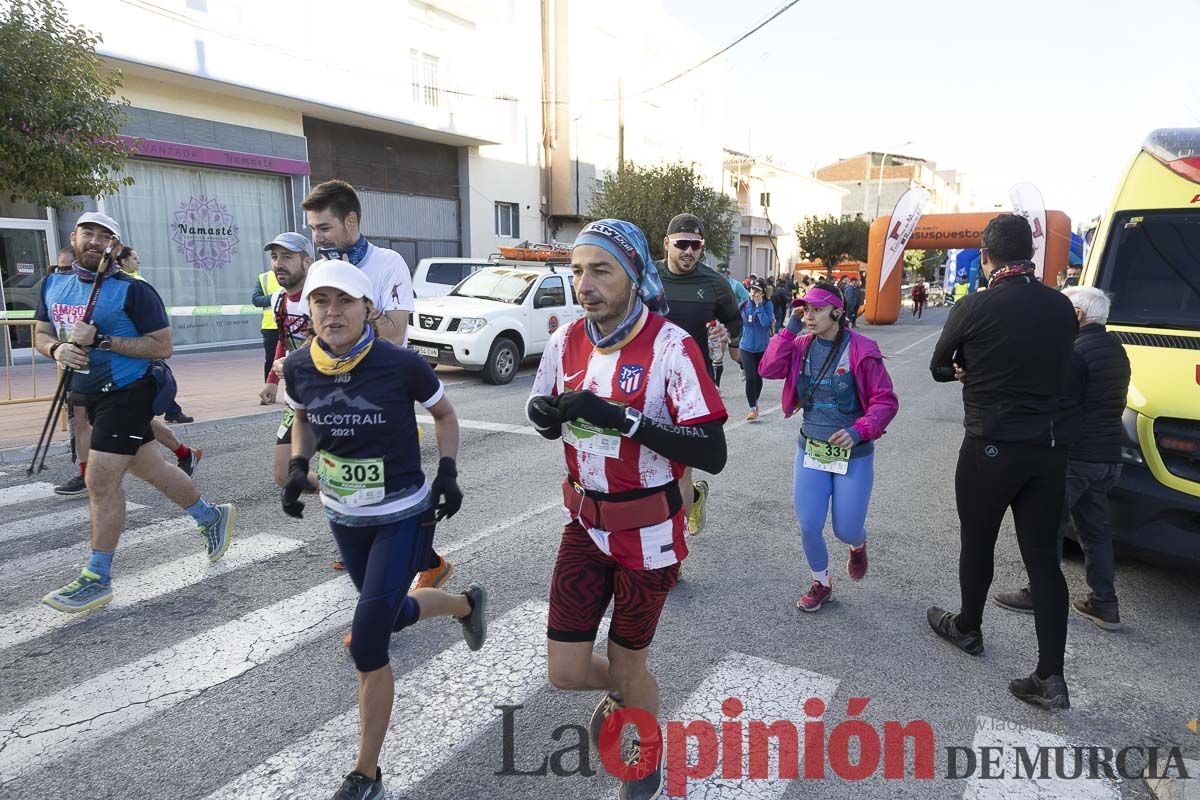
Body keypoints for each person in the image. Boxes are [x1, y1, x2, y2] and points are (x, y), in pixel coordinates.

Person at [526, 219, 727, 800]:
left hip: (650, 534)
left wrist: (623, 418)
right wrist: (548, 417)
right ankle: (620, 695)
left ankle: (643, 757)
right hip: (585, 525)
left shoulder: (671, 347)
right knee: (564, 670)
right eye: (577, 272)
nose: (584, 285)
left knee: (628, 663)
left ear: (635, 275)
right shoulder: (566, 339)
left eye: (600, 270)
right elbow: (548, 408)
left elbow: (711, 453)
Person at [280, 259, 487, 800]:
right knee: (391, 614)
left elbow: (445, 415)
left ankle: (366, 774)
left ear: (367, 308)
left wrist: (447, 472)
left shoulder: (400, 363)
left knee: (369, 642)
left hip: (403, 515)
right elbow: (302, 416)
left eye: (344, 301)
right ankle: (466, 604)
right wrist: (300, 466)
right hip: (344, 517)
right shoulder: (299, 366)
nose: (332, 312)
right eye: (321, 302)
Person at [34, 212, 235, 612]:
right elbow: (40, 333)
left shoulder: (133, 291)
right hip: (89, 393)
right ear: (73, 238)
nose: (94, 240)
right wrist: (57, 349)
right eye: (87, 232)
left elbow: (162, 346)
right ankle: (210, 516)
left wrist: (104, 341)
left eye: (104, 235)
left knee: (101, 479)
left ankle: (97, 576)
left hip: (129, 392)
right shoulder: (54, 283)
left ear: (115, 246)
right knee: (153, 469)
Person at [926, 213, 1080, 711]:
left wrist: (963, 370)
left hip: (991, 444)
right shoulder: (1061, 307)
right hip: (1048, 449)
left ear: (986, 256)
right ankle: (1050, 676)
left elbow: (936, 367)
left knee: (979, 541)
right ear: (1031, 256)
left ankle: (969, 627)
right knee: (1043, 563)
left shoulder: (974, 305)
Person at [302, 181, 454, 586]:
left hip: (384, 389)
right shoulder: (320, 267)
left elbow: (394, 332)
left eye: (324, 228)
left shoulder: (389, 264)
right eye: (313, 230)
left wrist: (355, 294)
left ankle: (424, 559)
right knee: (301, 470)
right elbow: (318, 330)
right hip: (329, 384)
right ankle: (366, 544)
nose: (318, 238)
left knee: (392, 484)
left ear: (351, 221)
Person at [991, 286, 1131, 630]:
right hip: (1107, 455)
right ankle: (1104, 603)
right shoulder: (1115, 349)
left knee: (1044, 525)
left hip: (1077, 455)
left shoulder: (1076, 352)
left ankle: (1038, 595)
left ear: (1079, 315)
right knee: (1095, 531)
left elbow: (1058, 403)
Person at [760, 283, 898, 611]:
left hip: (854, 453)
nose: (809, 315)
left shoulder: (861, 349)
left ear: (837, 312)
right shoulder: (799, 344)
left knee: (846, 528)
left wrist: (859, 429)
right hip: (811, 448)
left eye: (817, 309)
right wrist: (789, 327)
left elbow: (885, 400)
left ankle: (858, 543)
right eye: (805, 309)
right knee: (808, 524)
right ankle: (822, 582)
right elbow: (767, 368)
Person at [654, 213, 741, 536]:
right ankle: (691, 503)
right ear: (667, 244)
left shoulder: (715, 284)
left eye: (696, 245)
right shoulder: (648, 278)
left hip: (692, 390)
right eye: (682, 244)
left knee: (680, 471)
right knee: (647, 467)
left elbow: (734, 322)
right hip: (648, 384)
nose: (688, 251)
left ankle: (673, 553)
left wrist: (725, 334)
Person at [116, 246, 195, 425]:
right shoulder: (130, 282)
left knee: (158, 376)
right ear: (123, 261)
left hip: (142, 342)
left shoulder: (131, 280)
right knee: (159, 377)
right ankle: (171, 411)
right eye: (135, 258)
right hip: (141, 342)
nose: (139, 261)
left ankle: (171, 411)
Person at [739, 282, 774, 421]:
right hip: (745, 346)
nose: (754, 292)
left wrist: (759, 307)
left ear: (763, 293)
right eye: (752, 289)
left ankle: (755, 400)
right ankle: (752, 408)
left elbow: (766, 323)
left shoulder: (767, 305)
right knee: (750, 378)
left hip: (761, 347)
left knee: (758, 377)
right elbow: (733, 318)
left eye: (757, 290)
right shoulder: (743, 305)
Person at [252, 262, 282, 384]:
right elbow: (256, 300)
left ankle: (292, 394)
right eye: (275, 257)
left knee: (293, 360)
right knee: (270, 360)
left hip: (291, 325)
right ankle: (268, 390)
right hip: (270, 327)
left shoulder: (296, 275)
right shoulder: (264, 277)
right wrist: (276, 297)